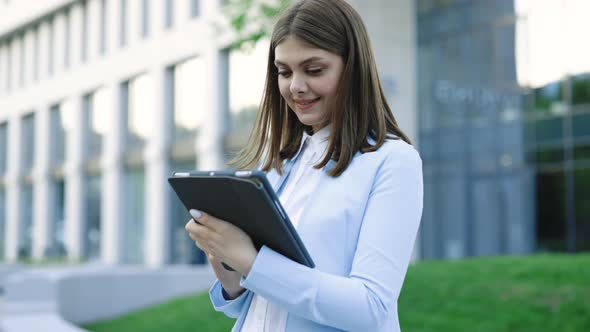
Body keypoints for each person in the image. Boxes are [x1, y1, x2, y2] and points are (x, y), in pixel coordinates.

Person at [184, 0, 423, 331]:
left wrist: (251, 261)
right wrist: (227, 266)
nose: (295, 86)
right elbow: (264, 303)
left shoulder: (393, 162)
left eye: (314, 70)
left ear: (352, 69)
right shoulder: (281, 162)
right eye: (284, 71)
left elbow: (371, 306)